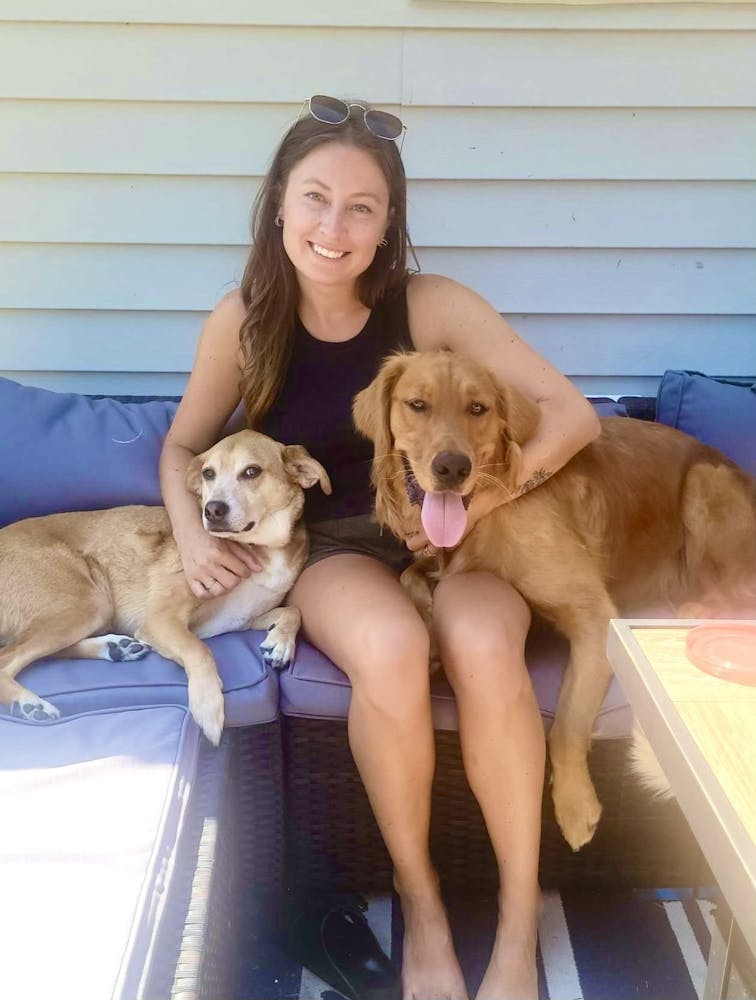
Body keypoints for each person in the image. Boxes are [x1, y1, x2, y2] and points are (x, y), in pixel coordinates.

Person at [160, 94, 601, 1000]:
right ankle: (424, 910)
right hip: (339, 550)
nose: (334, 226)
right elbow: (179, 447)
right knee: (394, 648)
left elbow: (574, 416)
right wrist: (187, 532)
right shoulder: (242, 323)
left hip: (462, 537)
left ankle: (519, 922)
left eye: (362, 206)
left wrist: (484, 503)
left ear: (388, 222)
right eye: (315, 197)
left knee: (482, 640)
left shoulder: (432, 304)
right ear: (279, 201)